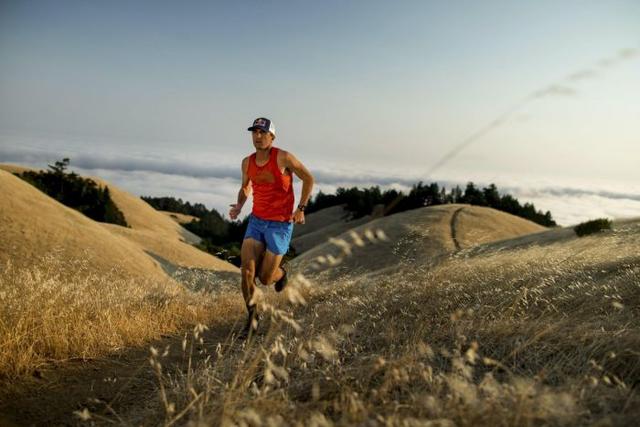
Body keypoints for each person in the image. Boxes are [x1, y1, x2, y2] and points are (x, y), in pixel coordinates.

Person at [229, 117, 314, 338]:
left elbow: (308, 179)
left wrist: (301, 208)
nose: (257, 137)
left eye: (262, 133)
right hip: (256, 221)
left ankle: (281, 273)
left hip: (280, 224)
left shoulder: (283, 157)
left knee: (266, 278)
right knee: (247, 272)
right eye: (254, 132)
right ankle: (252, 319)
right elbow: (245, 187)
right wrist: (239, 205)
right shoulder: (247, 162)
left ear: (272, 136)